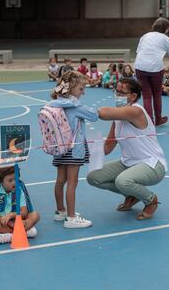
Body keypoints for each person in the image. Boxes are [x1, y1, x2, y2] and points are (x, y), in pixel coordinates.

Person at [87, 78, 167, 220]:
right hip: (128, 163)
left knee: (122, 181)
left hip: (152, 164)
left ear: (133, 96)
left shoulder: (136, 111)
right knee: (93, 177)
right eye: (116, 91)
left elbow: (103, 113)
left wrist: (82, 111)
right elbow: (108, 147)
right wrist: (85, 152)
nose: (117, 94)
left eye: (122, 92)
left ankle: (151, 200)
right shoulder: (118, 117)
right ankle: (132, 195)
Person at [48, 70, 98, 228]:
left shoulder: (55, 103)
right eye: (81, 89)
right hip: (73, 148)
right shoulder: (75, 105)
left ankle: (60, 211)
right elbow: (94, 116)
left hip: (60, 147)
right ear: (70, 88)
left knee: (60, 181)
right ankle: (71, 218)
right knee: (72, 183)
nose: (82, 93)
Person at [134, 17, 169, 126]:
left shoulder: (145, 36)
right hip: (155, 69)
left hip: (139, 67)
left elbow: (139, 51)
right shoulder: (166, 39)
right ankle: (158, 119)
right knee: (156, 95)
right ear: (167, 29)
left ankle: (149, 121)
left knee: (146, 96)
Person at [0, 166, 40, 245]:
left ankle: (8, 236)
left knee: (35, 215)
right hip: (2, 222)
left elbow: (24, 212)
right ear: (1, 181)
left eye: (16, 179)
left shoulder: (19, 190)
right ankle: (25, 233)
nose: (14, 182)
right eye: (10, 180)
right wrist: (10, 223)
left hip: (18, 220)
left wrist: (11, 215)